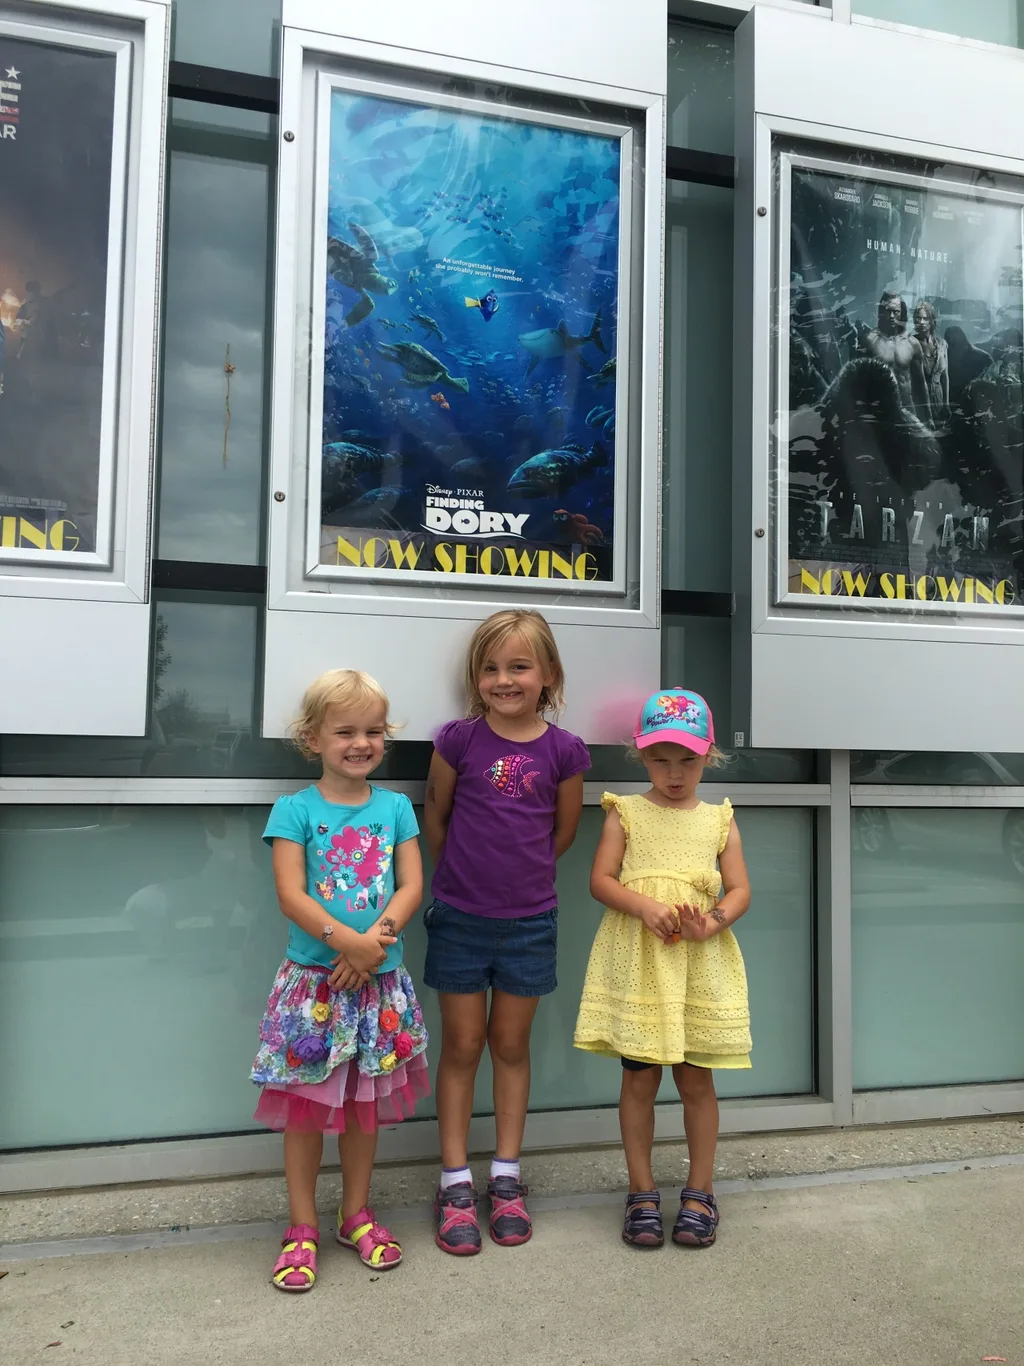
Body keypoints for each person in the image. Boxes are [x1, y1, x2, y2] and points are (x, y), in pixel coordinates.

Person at [251, 669, 429, 1292]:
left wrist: (373, 943)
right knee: (306, 1111)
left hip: (378, 983)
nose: (361, 743)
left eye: (373, 731)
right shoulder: (294, 809)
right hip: (315, 986)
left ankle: (355, 1213)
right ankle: (301, 1225)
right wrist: (346, 943)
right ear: (313, 738)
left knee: (362, 1110)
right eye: (345, 731)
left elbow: (411, 885)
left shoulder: (395, 807)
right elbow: (290, 894)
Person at [423, 609, 590, 1253]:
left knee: (511, 1046)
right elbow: (436, 815)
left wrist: (519, 882)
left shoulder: (565, 751)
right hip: (459, 919)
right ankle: (455, 1181)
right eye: (490, 668)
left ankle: (507, 1175)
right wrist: (464, 881)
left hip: (529, 923)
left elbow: (563, 833)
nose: (503, 680)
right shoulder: (458, 741)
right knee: (462, 1045)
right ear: (476, 677)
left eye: (519, 666)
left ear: (548, 675)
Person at [574, 689, 751, 1250]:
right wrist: (644, 906)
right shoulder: (625, 812)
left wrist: (713, 922)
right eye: (660, 759)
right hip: (642, 964)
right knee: (639, 1077)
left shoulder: (718, 819)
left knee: (697, 1079)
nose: (674, 773)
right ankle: (641, 1190)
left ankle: (701, 1191)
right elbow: (601, 880)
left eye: (687, 761)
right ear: (642, 756)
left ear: (708, 756)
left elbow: (740, 890)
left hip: (696, 963)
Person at [913, 301, 949, 427]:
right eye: (918, 318)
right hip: (919, 402)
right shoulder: (911, 343)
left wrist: (946, 404)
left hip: (938, 401)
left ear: (932, 321)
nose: (921, 322)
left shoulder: (942, 344)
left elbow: (945, 376)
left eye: (925, 318)